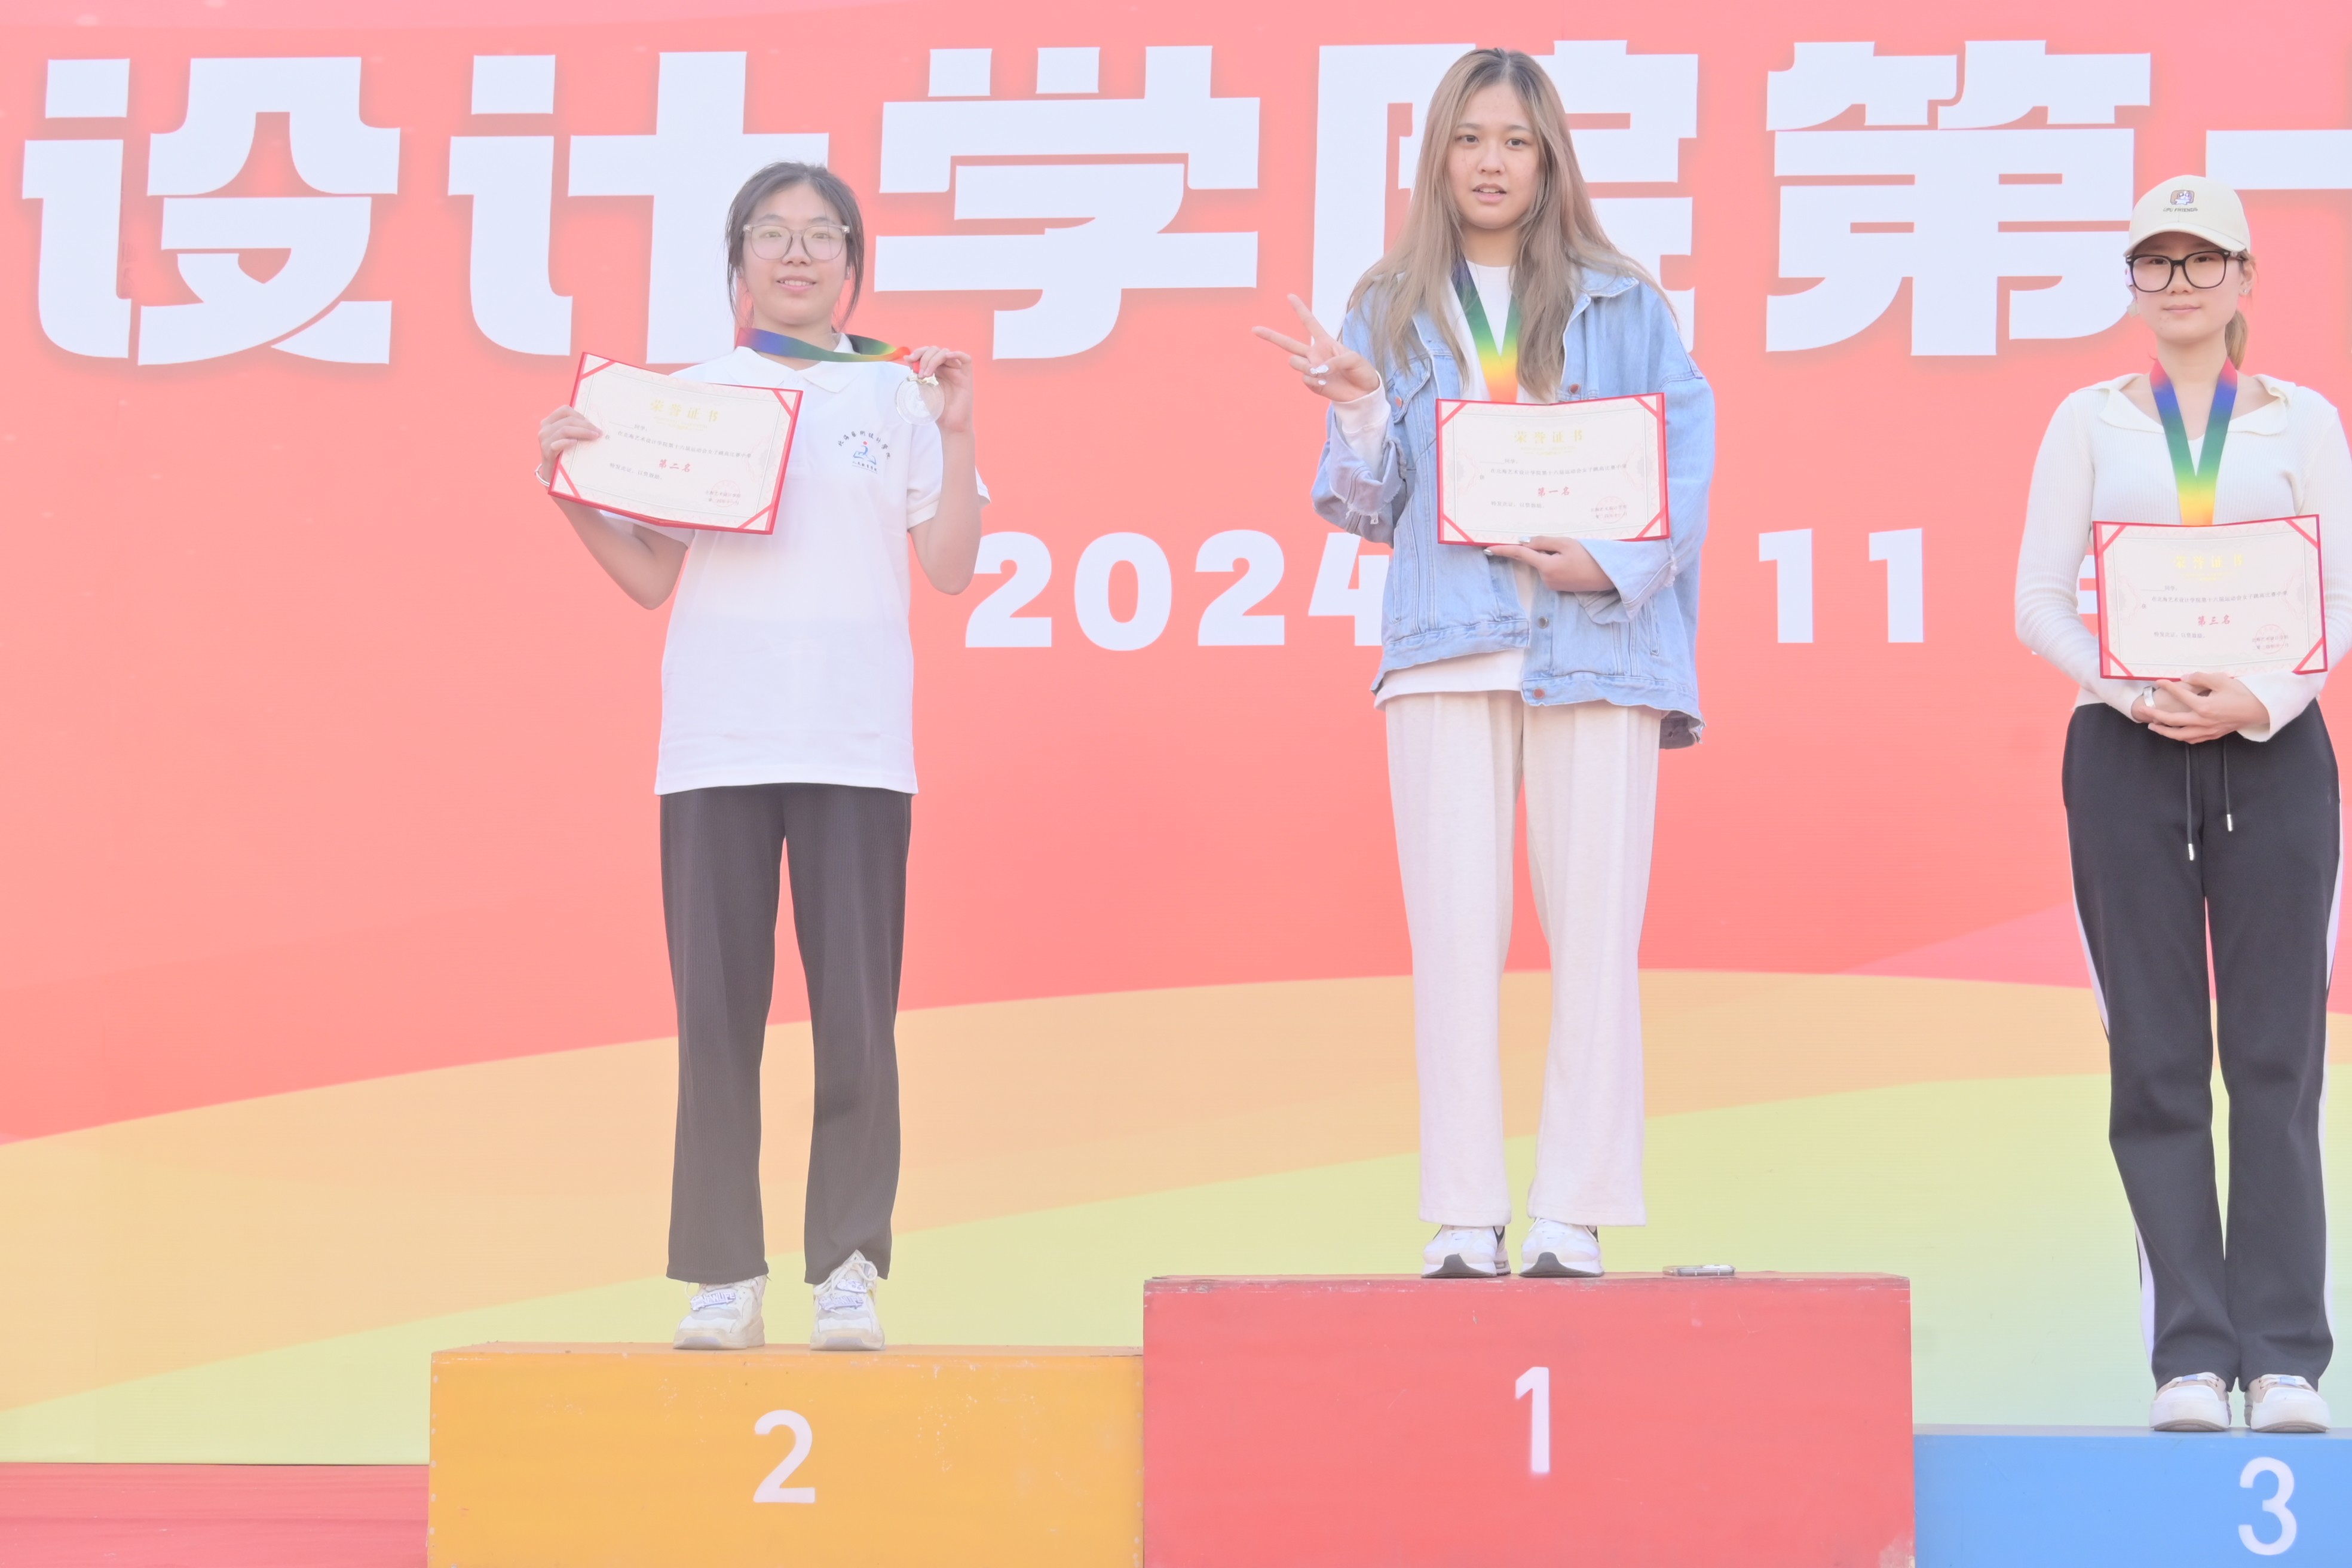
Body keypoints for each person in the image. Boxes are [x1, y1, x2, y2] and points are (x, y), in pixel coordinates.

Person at [1252, 48, 1713, 1281]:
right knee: (1454, 941)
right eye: (1470, 139)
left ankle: (1575, 1208)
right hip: (1447, 650)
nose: (1492, 162)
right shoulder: (1390, 303)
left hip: (1597, 646)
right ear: (1438, 158)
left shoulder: (1624, 302)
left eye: (1514, 139)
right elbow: (1367, 504)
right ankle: (1464, 1209)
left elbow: (1682, 470)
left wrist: (1606, 560)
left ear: (1549, 157)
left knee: (1596, 937)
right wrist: (1359, 405)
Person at [533, 161, 984, 1352]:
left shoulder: (897, 393)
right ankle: (722, 1274)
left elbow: (949, 567)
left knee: (857, 1019)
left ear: (852, 263)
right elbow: (650, 579)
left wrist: (958, 430)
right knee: (717, 1023)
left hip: (856, 739)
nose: (796, 253)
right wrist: (572, 489)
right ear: (736, 260)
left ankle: (847, 1266)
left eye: (821, 234)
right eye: (771, 234)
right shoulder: (691, 402)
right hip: (718, 740)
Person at [2016, 175, 2350, 1434]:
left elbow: (2340, 599)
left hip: (2275, 753)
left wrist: (2258, 697)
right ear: (2134, 285)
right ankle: (2192, 1360)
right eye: (2155, 262)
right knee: (2155, 1060)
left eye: (2203, 259)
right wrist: (2133, 687)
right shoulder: (2088, 421)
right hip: (2127, 751)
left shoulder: (2304, 423)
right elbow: (2039, 599)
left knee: (2277, 1058)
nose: (2179, 282)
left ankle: (2287, 1360)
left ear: (2245, 278)